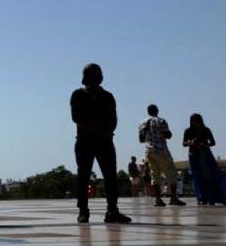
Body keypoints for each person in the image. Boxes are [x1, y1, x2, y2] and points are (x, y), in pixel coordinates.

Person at [69, 63, 131, 224]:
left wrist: (106, 131)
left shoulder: (108, 96)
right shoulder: (78, 95)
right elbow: (77, 118)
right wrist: (99, 129)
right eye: (95, 74)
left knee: (111, 176)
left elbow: (113, 120)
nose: (99, 76)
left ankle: (112, 210)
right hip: (85, 141)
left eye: (100, 73)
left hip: (105, 141)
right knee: (83, 176)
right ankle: (83, 210)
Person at [139, 104, 186, 207]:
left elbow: (141, 139)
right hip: (161, 150)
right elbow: (168, 135)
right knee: (172, 173)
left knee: (155, 175)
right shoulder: (160, 121)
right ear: (157, 110)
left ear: (148, 111)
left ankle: (158, 200)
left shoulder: (142, 123)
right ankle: (173, 198)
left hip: (149, 151)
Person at [183, 113, 225, 205]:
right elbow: (184, 143)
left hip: (204, 153)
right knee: (197, 176)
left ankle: (212, 197)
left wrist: (203, 144)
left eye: (197, 121)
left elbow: (213, 142)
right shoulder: (188, 131)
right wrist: (190, 142)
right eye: (193, 121)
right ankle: (201, 197)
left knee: (208, 175)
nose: (195, 123)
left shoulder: (206, 130)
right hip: (193, 154)